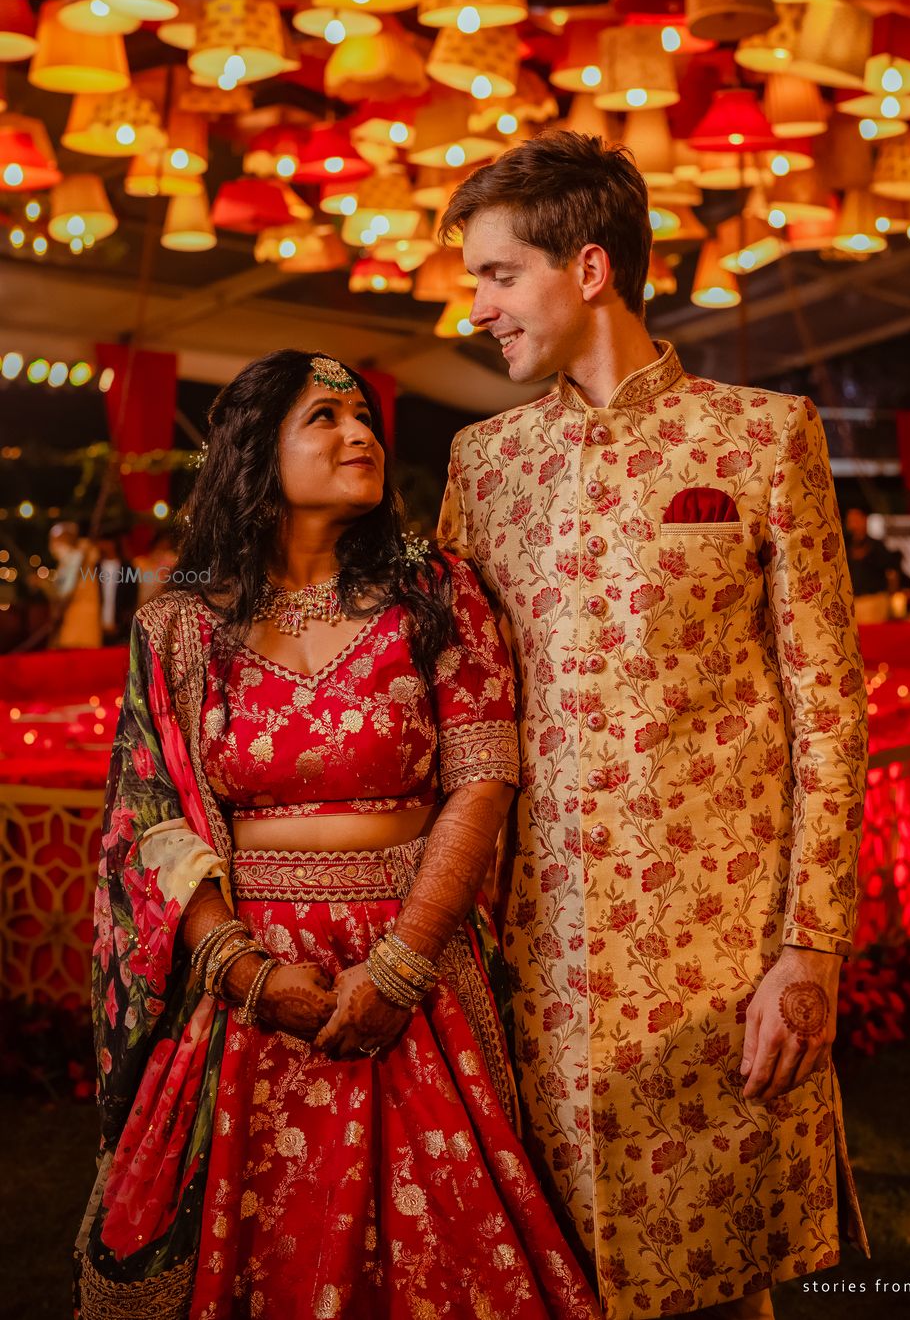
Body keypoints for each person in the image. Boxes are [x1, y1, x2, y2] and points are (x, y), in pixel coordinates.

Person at [437, 132, 870, 1318]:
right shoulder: (484, 466)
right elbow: (455, 708)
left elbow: (829, 711)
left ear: (588, 269)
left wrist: (810, 946)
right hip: (535, 961)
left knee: (724, 1282)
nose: (473, 304)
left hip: (720, 964)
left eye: (495, 274)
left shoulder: (762, 437)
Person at [74, 351, 600, 1320]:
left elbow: (483, 782)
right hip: (253, 980)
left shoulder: (436, 590)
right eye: (324, 417)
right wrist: (241, 970)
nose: (360, 434)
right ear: (254, 453)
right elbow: (154, 816)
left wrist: (401, 966)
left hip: (409, 964)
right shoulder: (182, 624)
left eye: (364, 414)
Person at [47, 520, 101, 649]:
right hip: (71, 619)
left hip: (80, 622)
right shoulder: (68, 561)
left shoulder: (78, 558)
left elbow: (66, 589)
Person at [843, 506, 899, 624]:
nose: (853, 525)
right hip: (852, 601)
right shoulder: (844, 546)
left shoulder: (877, 546)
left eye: (856, 520)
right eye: (850, 521)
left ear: (865, 520)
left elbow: (891, 571)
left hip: (874, 601)